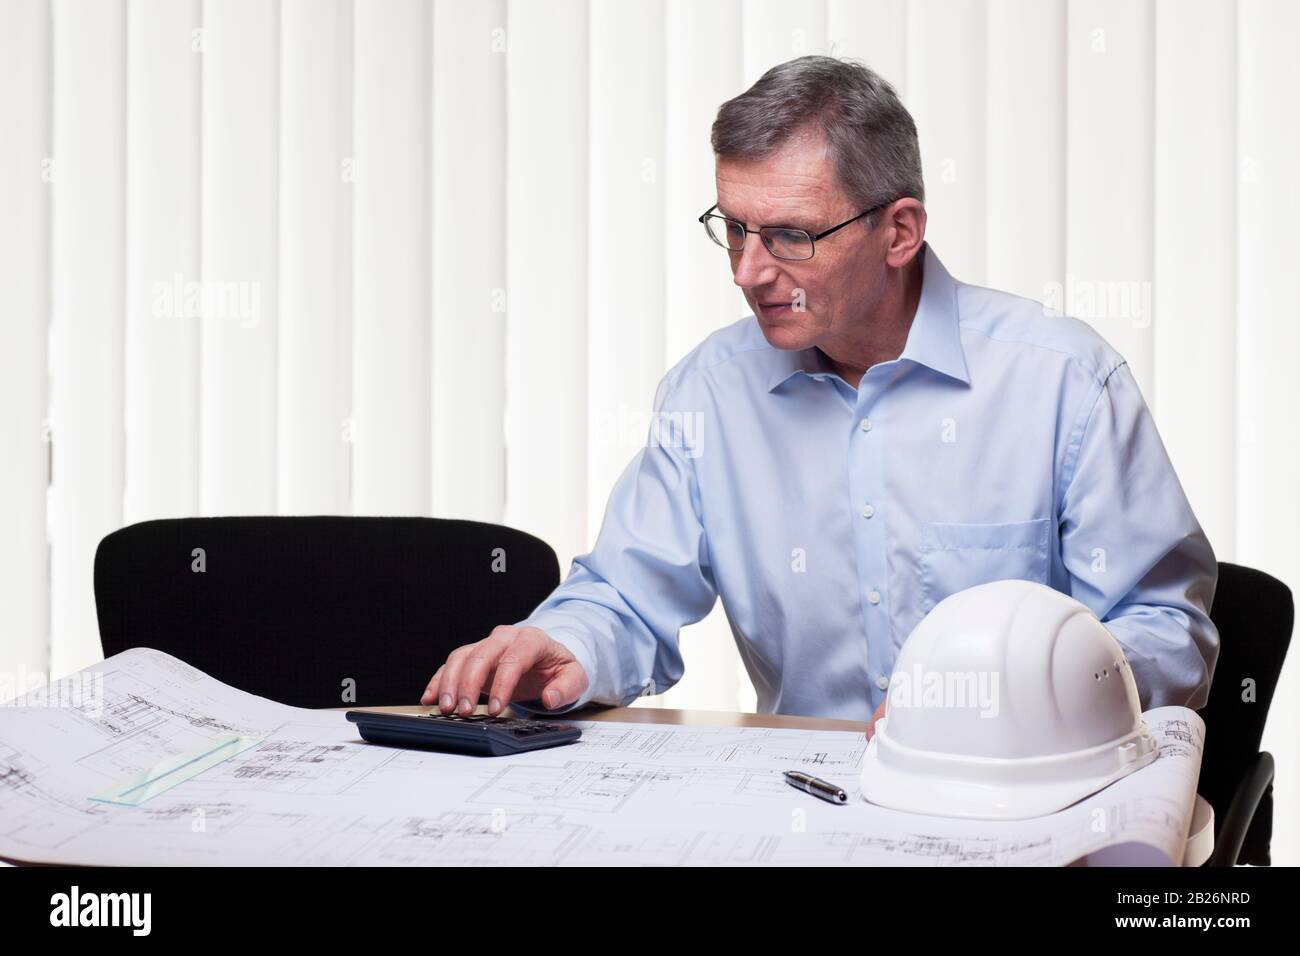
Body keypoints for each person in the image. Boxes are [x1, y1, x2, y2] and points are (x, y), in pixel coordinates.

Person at [420, 55, 1219, 740]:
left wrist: (1030, 703)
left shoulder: (1062, 382)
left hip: (1020, 801)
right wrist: (566, 645)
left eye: (789, 237)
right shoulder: (711, 393)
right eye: (733, 228)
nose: (746, 271)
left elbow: (1165, 629)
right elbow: (628, 594)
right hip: (804, 806)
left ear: (898, 233)